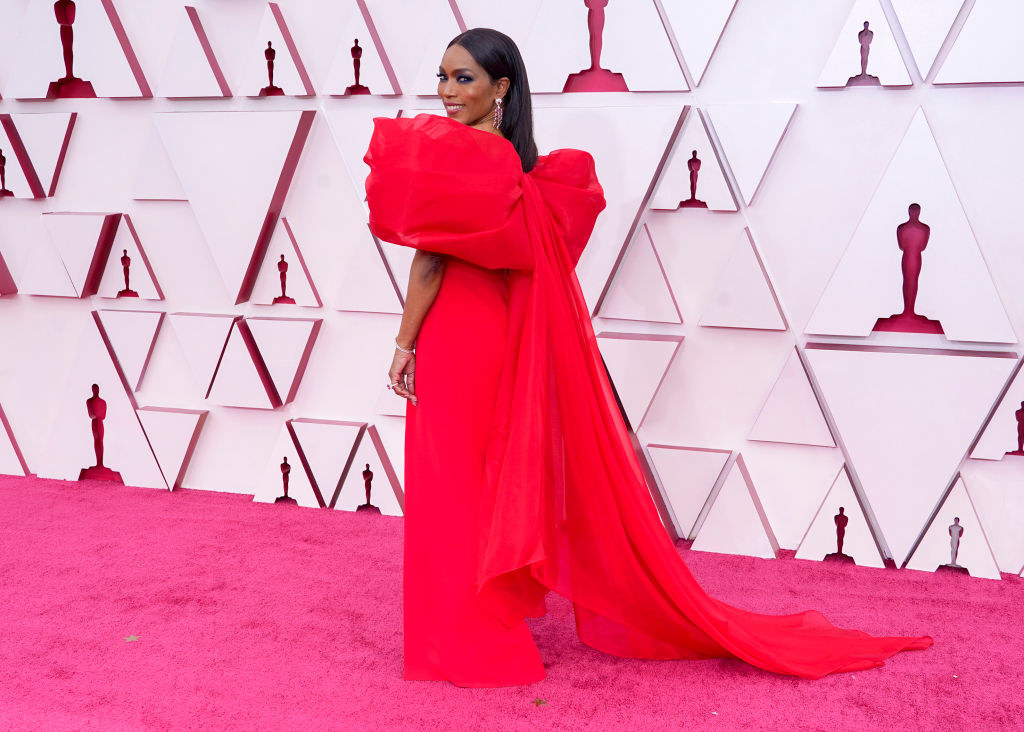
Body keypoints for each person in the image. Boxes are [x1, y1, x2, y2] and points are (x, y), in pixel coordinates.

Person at [363, 27, 932, 689]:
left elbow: (429, 263)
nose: (446, 91)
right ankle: (481, 632)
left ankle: (462, 644)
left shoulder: (455, 159)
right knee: (479, 483)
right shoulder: (525, 172)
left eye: (463, 78)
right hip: (499, 338)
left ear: (501, 88)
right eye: (442, 76)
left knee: (451, 487)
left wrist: (404, 344)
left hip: (457, 338)